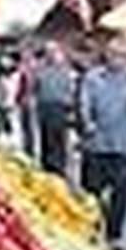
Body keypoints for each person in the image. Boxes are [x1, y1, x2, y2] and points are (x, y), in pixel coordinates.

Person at [79, 35, 126, 250]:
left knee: (121, 192)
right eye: (114, 54)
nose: (118, 59)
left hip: (125, 145)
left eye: (122, 56)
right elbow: (84, 102)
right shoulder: (93, 78)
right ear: (106, 55)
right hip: (97, 143)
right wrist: (87, 122)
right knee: (92, 191)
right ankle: (93, 229)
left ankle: (114, 235)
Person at [34, 41, 78, 176]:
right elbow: (37, 87)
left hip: (60, 107)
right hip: (44, 107)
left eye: (53, 52)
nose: (51, 55)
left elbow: (71, 90)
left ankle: (59, 167)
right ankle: (47, 166)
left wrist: (70, 108)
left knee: (59, 138)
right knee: (46, 138)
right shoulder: (41, 69)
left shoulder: (66, 71)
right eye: (48, 52)